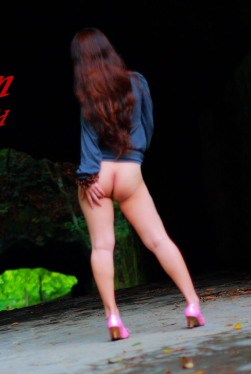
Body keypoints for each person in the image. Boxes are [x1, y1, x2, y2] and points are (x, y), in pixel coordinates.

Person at [70, 27, 206, 340]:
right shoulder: (137, 82)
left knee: (102, 246)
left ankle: (113, 317)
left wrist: (87, 176)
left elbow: (88, 141)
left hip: (98, 174)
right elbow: (148, 125)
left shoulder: (88, 93)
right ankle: (192, 304)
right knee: (159, 239)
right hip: (130, 170)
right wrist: (135, 156)